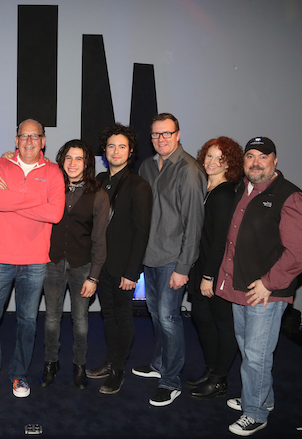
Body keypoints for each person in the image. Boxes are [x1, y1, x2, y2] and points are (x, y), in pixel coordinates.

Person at [216, 137, 302, 436]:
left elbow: (297, 255)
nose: (256, 162)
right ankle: (262, 398)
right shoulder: (244, 190)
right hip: (241, 287)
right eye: (250, 157)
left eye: (263, 157)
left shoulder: (290, 196)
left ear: (275, 160)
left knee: (256, 355)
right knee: (250, 350)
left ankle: (254, 413)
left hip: (266, 293)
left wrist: (269, 283)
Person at [0, 119, 65, 400]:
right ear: (16, 140)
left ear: (43, 141)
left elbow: (56, 213)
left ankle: (19, 375)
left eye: (35, 136)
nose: (29, 141)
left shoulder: (54, 171)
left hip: (35, 260)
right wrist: (37, 201)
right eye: (24, 136)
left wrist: (13, 199)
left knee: (27, 321)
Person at [133, 113, 206, 407]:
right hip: (150, 257)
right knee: (156, 315)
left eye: (166, 133)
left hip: (173, 260)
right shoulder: (148, 167)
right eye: (155, 135)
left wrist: (183, 268)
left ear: (177, 134)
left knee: (169, 318)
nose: (161, 139)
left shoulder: (188, 170)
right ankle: (160, 364)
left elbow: (195, 224)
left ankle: (171, 381)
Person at [86, 123, 152, 394]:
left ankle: (118, 370)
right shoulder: (99, 181)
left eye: (122, 146)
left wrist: (132, 272)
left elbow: (142, 232)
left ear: (131, 151)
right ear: (105, 150)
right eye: (111, 146)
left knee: (122, 317)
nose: (116, 151)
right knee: (108, 315)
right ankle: (110, 362)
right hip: (101, 264)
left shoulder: (138, 186)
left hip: (123, 267)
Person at [40, 139, 109, 390]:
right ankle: (51, 363)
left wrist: (94, 277)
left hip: (83, 266)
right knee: (51, 319)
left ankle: (79, 364)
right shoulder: (50, 187)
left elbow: (100, 239)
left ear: (87, 163)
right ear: (61, 160)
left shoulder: (98, 195)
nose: (73, 163)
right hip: (53, 263)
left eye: (78, 158)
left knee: (80, 321)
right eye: (68, 157)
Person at [185, 137, 243, 399]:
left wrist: (209, 275)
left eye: (219, 158)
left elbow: (220, 239)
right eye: (208, 156)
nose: (212, 162)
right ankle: (211, 371)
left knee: (223, 324)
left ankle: (219, 379)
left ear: (229, 162)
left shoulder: (224, 194)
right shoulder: (205, 188)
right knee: (202, 319)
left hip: (216, 270)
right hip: (200, 266)